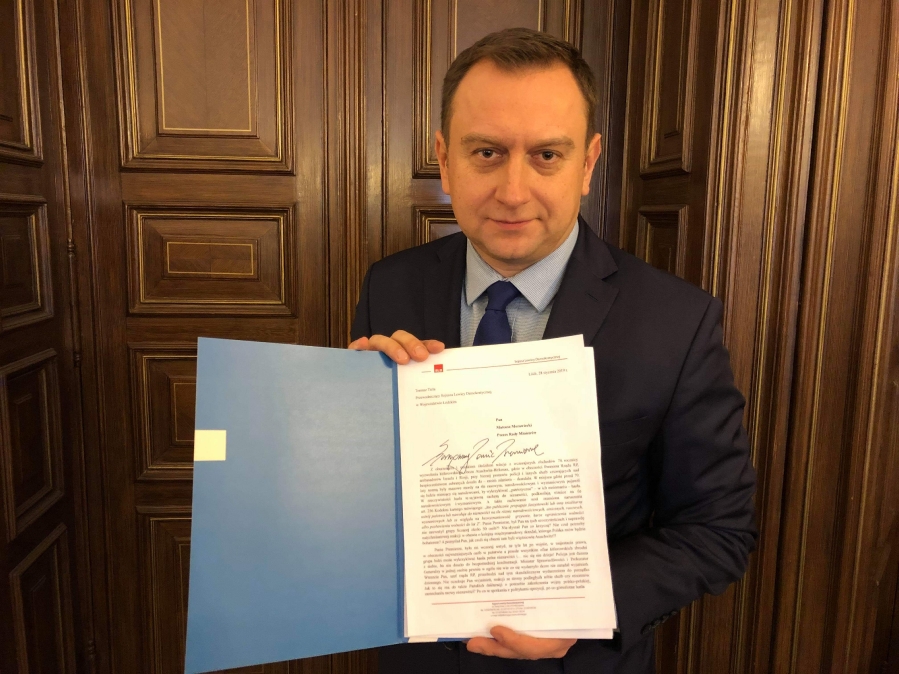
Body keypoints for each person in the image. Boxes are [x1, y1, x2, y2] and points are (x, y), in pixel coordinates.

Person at [349, 27, 756, 674]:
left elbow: (718, 529)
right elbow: (360, 493)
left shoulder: (676, 321)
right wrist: (347, 416)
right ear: (445, 160)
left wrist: (586, 608)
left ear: (587, 164)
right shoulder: (390, 286)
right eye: (486, 152)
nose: (513, 191)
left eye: (546, 155)